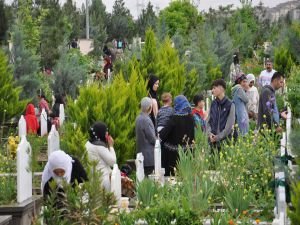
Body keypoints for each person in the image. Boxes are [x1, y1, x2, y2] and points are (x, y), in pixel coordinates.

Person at [160, 95, 195, 176]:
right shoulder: (191, 118)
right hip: (187, 155)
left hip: (173, 156)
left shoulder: (174, 119)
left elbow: (162, 135)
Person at [85, 122, 116, 191]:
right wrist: (111, 146)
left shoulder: (88, 143)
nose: (107, 134)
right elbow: (113, 162)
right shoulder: (99, 146)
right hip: (103, 180)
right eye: (106, 132)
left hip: (93, 178)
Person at [207, 79, 235, 150]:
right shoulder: (213, 104)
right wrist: (209, 134)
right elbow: (208, 121)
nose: (212, 91)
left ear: (221, 88)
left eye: (214, 88)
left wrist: (218, 137)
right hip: (212, 142)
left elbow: (229, 126)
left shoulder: (230, 105)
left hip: (225, 143)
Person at [135, 97, 157, 176]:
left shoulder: (138, 118)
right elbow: (152, 138)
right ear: (150, 108)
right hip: (148, 156)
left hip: (140, 153)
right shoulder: (147, 120)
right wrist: (158, 141)